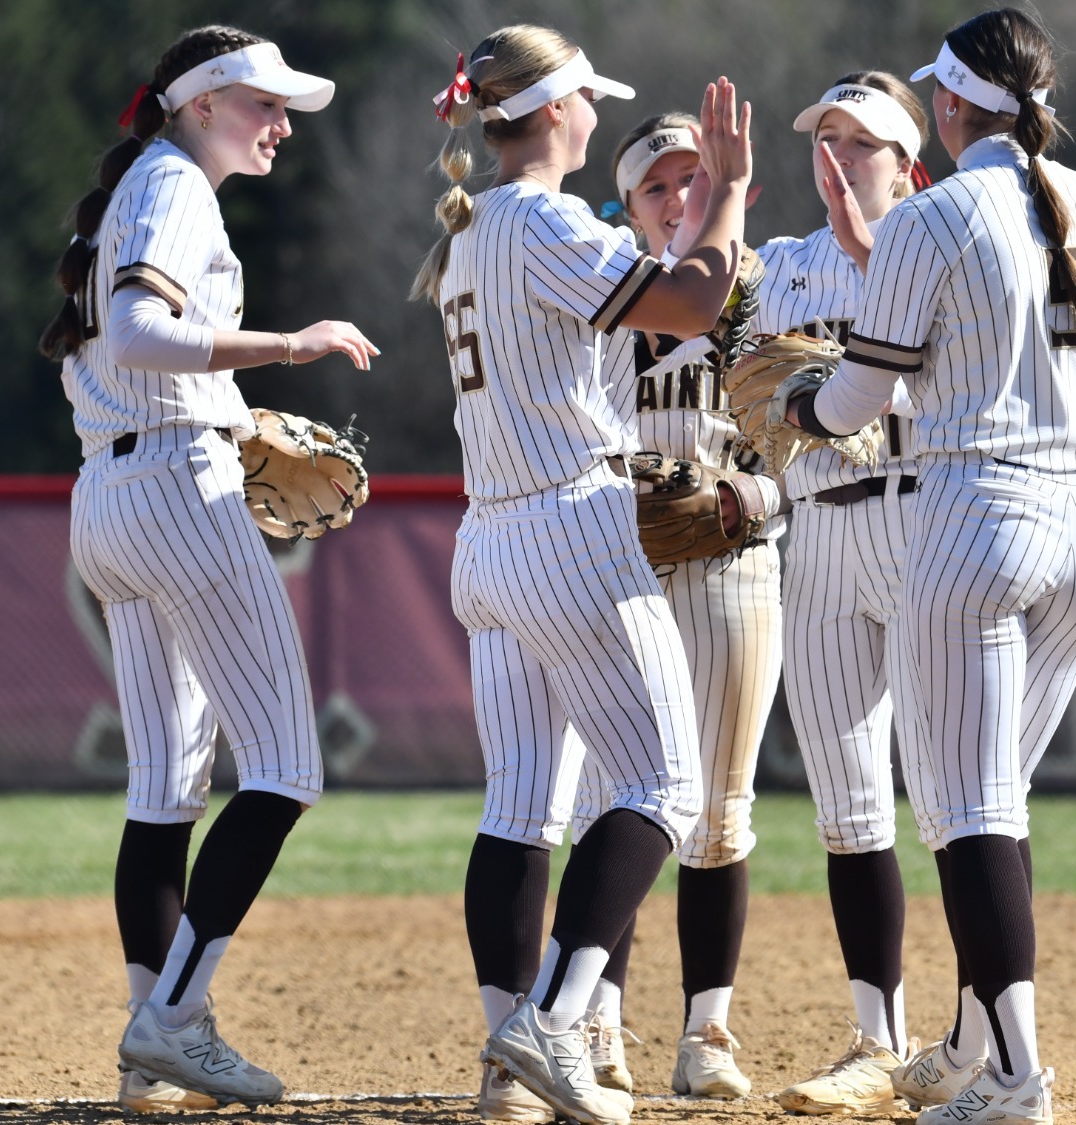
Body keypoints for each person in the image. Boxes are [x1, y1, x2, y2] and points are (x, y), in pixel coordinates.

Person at [413, 25, 758, 1125]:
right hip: (569, 523)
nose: (594, 115)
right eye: (585, 101)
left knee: (521, 805)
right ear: (552, 109)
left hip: (490, 537)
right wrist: (731, 192)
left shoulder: (468, 231)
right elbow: (694, 302)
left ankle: (501, 1065)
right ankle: (553, 1026)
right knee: (660, 785)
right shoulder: (538, 216)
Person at [788, 10, 1076, 1125]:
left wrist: (797, 400)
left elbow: (853, 401)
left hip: (981, 509)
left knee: (965, 806)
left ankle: (1018, 1079)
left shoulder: (932, 217)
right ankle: (975, 1047)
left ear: (944, 107)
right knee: (998, 796)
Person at [41, 23, 379, 1113]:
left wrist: (232, 408)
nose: (281, 124)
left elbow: (126, 357)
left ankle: (152, 1049)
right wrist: (291, 345)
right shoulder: (177, 184)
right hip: (178, 496)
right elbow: (141, 333)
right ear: (198, 104)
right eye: (262, 104)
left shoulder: (147, 183)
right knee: (286, 767)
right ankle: (173, 1019)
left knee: (163, 788)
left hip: (108, 490)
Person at [559, 114, 785, 1102]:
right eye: (658, 185)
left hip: (732, 562)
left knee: (719, 812)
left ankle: (706, 1033)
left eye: (697, 179)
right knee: (611, 800)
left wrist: (750, 498)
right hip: (614, 568)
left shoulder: (767, 287)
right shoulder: (591, 290)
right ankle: (595, 1025)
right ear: (628, 202)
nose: (680, 196)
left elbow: (822, 447)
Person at [740, 71, 933, 1117]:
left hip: (922, 513)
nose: (836, 159)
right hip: (816, 531)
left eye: (859, 144)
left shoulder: (939, 240)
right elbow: (757, 404)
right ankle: (876, 1040)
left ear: (907, 163)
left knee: (957, 795)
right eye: (823, 140)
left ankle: (991, 1032)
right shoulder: (787, 269)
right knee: (847, 807)